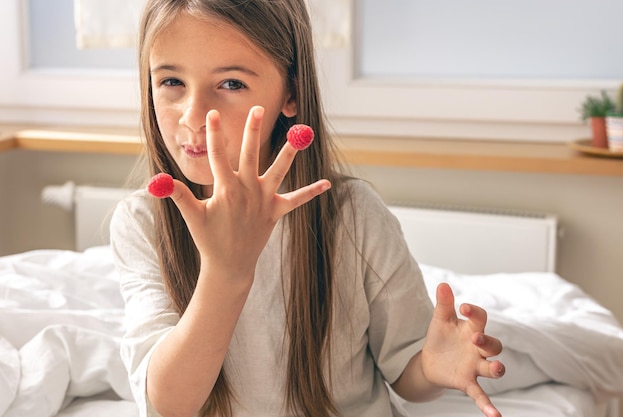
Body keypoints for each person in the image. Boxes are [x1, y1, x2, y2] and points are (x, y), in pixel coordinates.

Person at [109, 1, 506, 417]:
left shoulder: (352, 214)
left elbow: (408, 375)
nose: (193, 116)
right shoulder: (142, 223)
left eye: (230, 84)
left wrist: (433, 367)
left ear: (291, 93)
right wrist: (226, 272)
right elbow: (168, 404)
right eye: (171, 80)